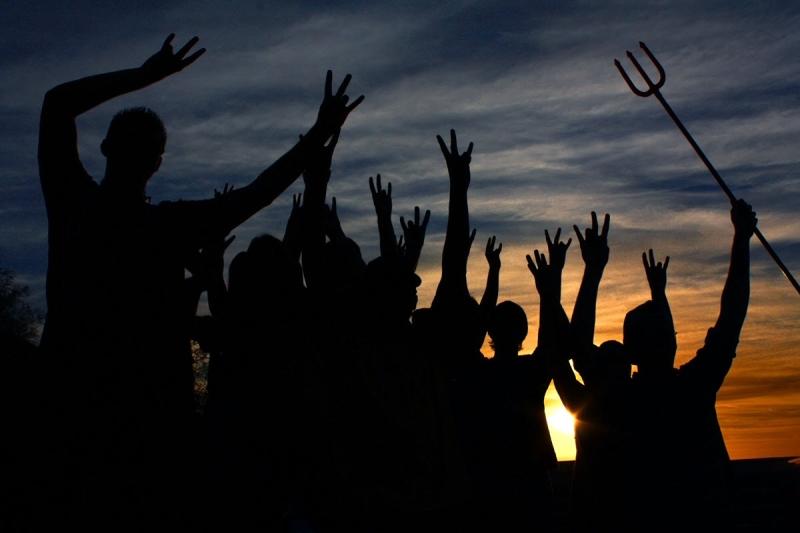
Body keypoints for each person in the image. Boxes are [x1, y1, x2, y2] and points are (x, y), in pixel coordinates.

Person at [37, 32, 362, 528]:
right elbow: (259, 192)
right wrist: (316, 136)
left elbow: (58, 102)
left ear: (104, 147)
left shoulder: (73, 205)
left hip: (72, 418)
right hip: (150, 430)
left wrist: (145, 76)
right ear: (158, 163)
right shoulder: (165, 225)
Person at [624, 199, 757, 529]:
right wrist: (741, 240)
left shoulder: (620, 400)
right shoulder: (692, 387)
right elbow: (731, 316)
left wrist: (659, 297)